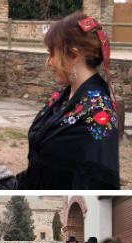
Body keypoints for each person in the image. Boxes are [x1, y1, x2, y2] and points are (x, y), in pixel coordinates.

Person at [18, 12, 119, 189]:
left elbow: (100, 182)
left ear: (74, 55)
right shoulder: (63, 96)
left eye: (52, 53)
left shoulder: (98, 114)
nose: (48, 63)